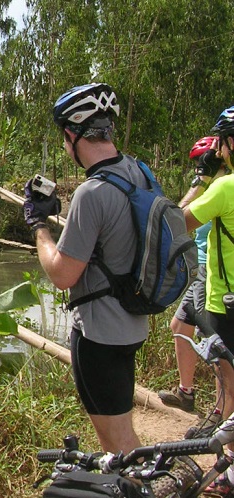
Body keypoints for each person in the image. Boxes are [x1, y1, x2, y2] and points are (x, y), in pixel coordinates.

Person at [23, 83, 152, 454]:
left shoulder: (91, 193)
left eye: (65, 140)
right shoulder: (137, 172)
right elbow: (112, 240)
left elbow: (62, 275)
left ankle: (138, 489)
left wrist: (38, 225)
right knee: (119, 428)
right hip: (132, 322)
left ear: (72, 134)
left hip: (99, 335)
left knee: (119, 442)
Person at [182, 106, 234, 496]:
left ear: (229, 144)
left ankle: (230, 471)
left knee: (230, 379)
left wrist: (200, 182)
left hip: (225, 298)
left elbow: (178, 223)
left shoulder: (225, 188)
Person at [158, 137, 221, 420]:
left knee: (217, 344)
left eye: (201, 163)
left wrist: (200, 183)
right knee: (179, 325)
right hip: (201, 273)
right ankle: (186, 392)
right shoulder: (210, 190)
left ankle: (221, 411)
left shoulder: (218, 190)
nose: (197, 169)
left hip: (214, 276)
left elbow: (175, 222)